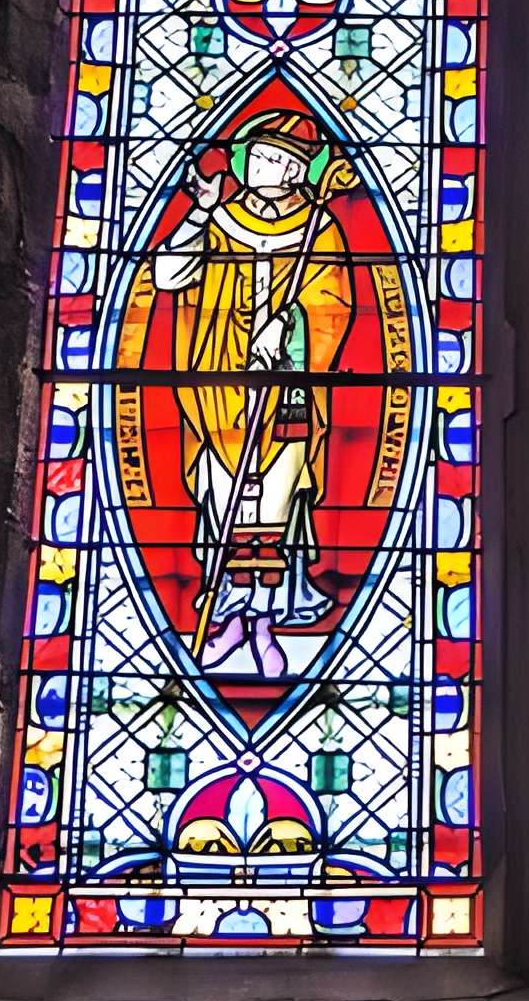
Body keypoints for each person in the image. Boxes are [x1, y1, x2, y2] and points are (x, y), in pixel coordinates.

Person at [121, 112, 355, 680]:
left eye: (290, 163)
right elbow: (171, 276)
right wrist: (198, 211)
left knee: (276, 504)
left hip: (287, 392)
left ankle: (266, 622)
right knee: (222, 501)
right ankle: (227, 618)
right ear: (247, 161)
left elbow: (334, 305)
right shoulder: (221, 221)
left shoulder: (320, 229)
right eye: (268, 157)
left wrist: (291, 327)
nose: (276, 170)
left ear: (303, 173)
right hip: (218, 384)